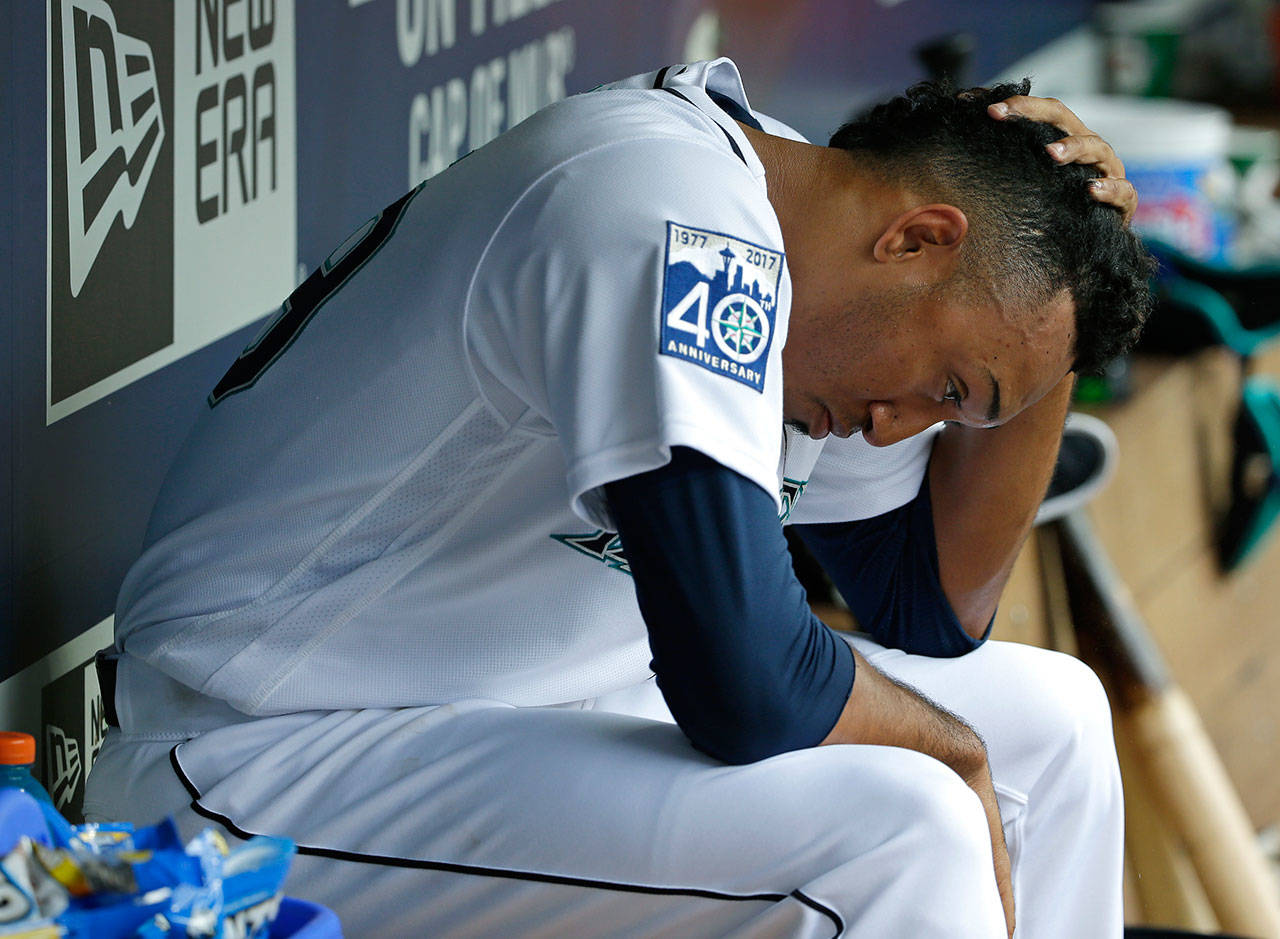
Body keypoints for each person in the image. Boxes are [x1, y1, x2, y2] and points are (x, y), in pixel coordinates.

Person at [85, 58, 1151, 937]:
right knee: (901, 819)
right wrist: (948, 749)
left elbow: (926, 605)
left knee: (1047, 725)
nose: (897, 425)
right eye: (947, 387)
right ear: (915, 239)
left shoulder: (809, 254)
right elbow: (743, 682)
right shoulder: (672, 213)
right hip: (258, 758)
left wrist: (1074, 269)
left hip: (522, 718)